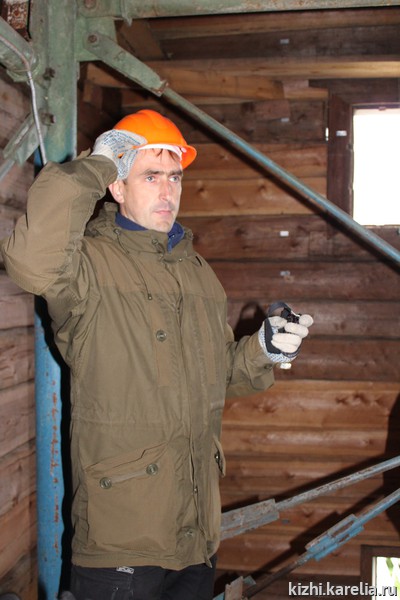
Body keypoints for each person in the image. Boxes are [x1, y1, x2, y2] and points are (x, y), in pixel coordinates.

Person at [1, 109, 313, 600]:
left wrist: (263, 350)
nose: (167, 191)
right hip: (122, 542)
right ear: (117, 186)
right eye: (150, 176)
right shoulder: (86, 264)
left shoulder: (198, 273)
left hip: (196, 536)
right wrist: (97, 164)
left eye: (175, 177)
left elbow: (215, 376)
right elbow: (29, 262)